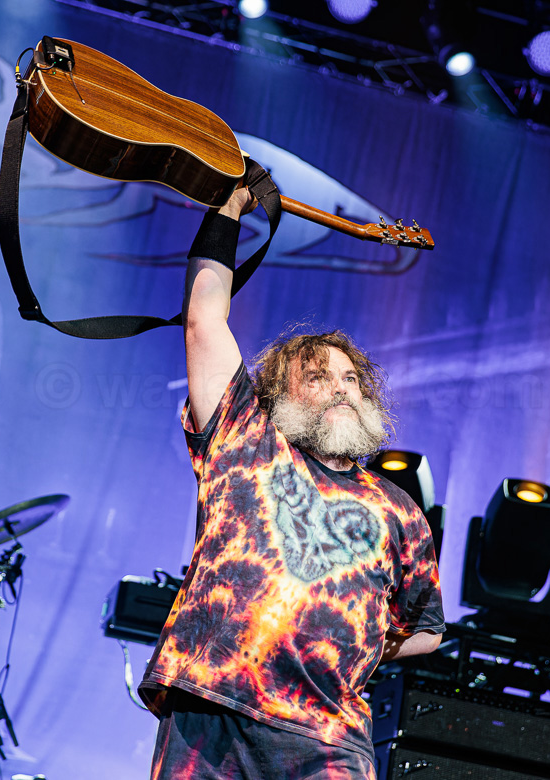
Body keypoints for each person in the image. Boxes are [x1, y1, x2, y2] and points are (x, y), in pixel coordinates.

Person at [138, 187, 446, 779]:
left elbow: (425, 629)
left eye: (351, 379)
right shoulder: (244, 439)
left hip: (328, 736)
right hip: (214, 704)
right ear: (281, 395)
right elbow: (204, 321)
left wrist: (348, 640)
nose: (340, 388)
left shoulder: (399, 509)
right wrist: (226, 212)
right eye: (318, 377)